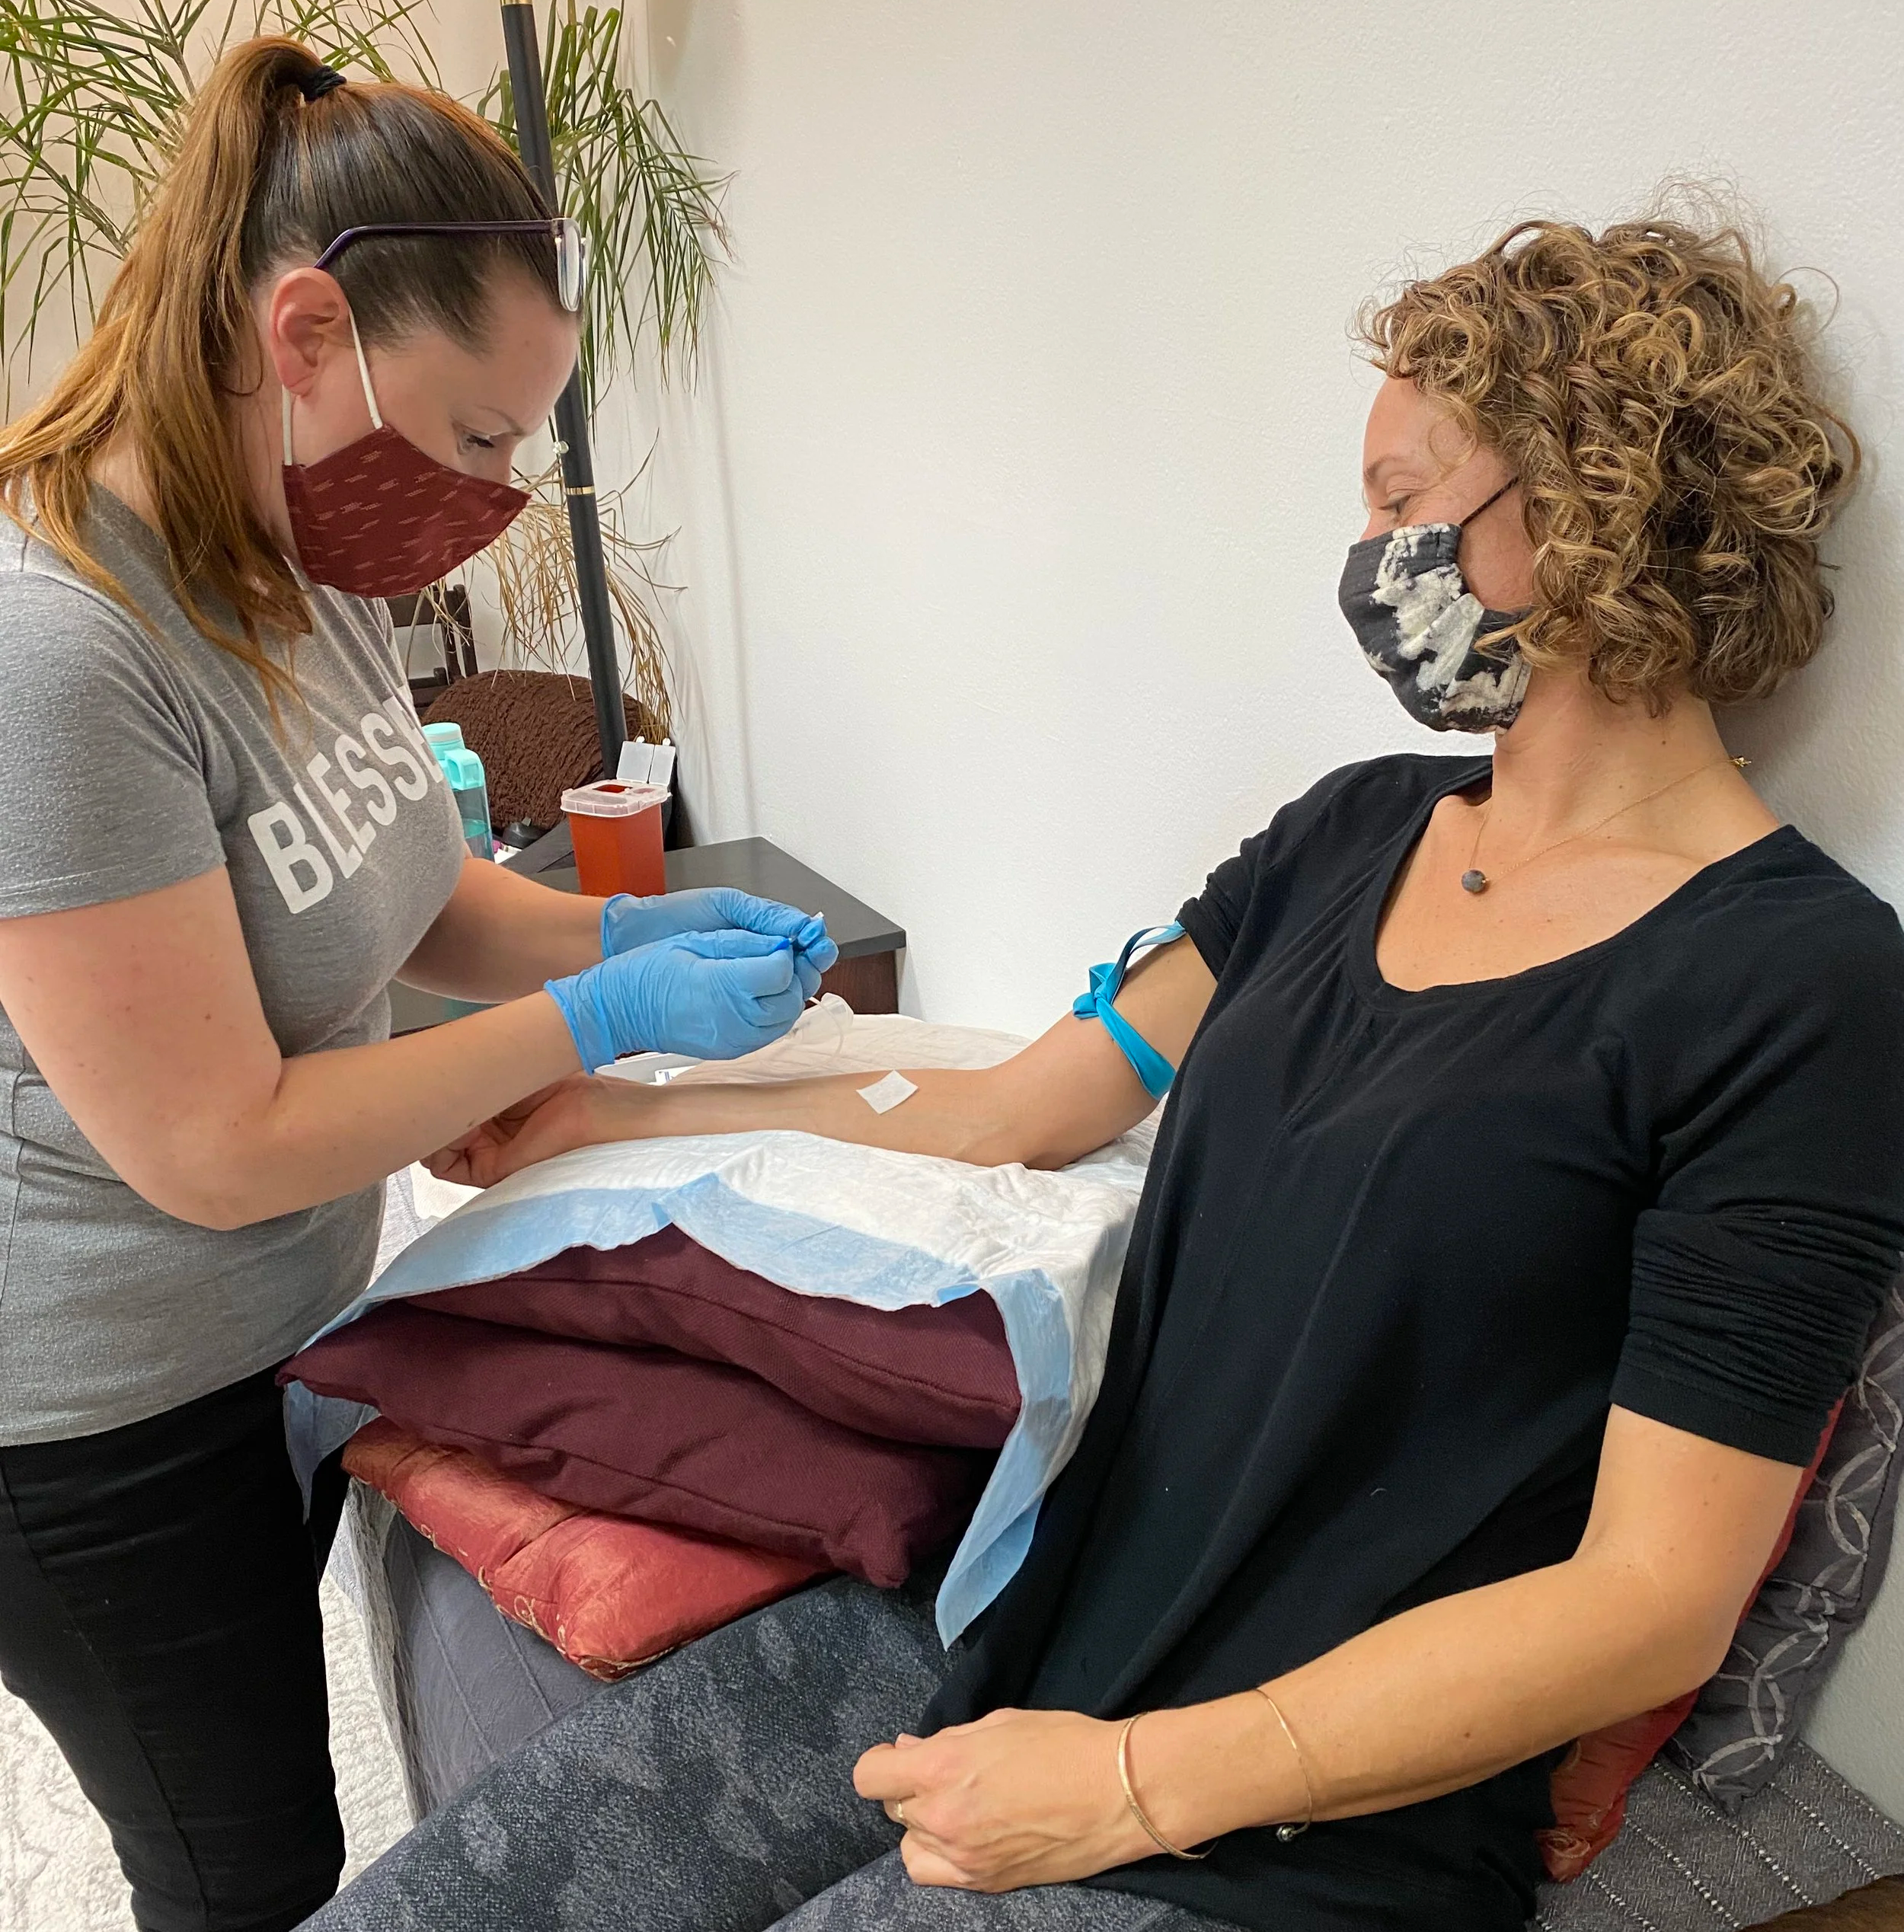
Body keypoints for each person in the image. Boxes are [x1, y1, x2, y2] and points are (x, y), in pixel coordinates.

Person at [320, 213, 1904, 1932]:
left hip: (1304, 1825)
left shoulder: (1795, 985)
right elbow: (1024, 1103)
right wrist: (625, 1104)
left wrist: (1129, 1785)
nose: (1365, 553)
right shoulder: (1346, 832)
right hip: (1029, 1624)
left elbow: (1649, 1597)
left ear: (1588, 488)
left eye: (1396, 498)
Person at [0, 38, 835, 1932]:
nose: (489, 492)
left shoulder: (296, 553)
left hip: (277, 1319)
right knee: (249, 1870)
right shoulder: (53, 651)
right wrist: (594, 1022)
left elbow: (401, 878)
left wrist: (621, 931)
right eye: (475, 437)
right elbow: (213, 1142)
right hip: (89, 1409)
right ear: (307, 336)